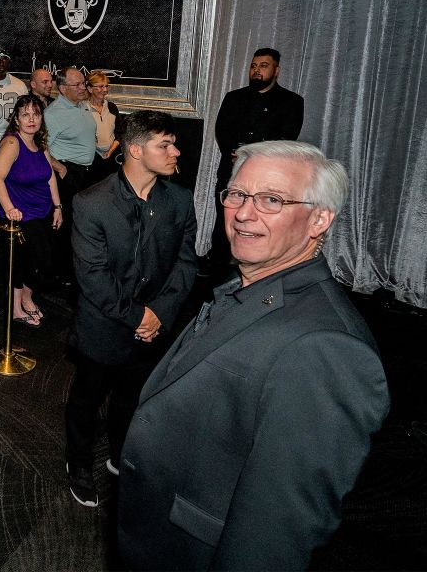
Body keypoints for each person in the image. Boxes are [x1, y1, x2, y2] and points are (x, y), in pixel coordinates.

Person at [118, 140, 389, 569]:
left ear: (320, 218)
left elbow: (278, 529)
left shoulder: (328, 348)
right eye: (238, 194)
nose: (245, 213)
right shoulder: (249, 288)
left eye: (272, 200)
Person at [61, 111, 196, 508]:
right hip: (104, 326)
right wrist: (140, 317)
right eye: (165, 145)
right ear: (135, 150)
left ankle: (120, 453)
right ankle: (78, 463)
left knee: (132, 397)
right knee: (87, 400)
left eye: (173, 143)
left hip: (155, 327)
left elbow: (186, 264)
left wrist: (160, 314)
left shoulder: (180, 199)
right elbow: (94, 277)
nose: (176, 151)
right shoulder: (91, 203)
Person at [209, 48, 304, 274]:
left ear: (276, 70)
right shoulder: (234, 97)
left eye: (263, 66)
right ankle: (217, 268)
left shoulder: (292, 102)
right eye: (253, 66)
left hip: (266, 179)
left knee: (258, 223)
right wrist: (234, 154)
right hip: (231, 174)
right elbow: (222, 130)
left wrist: (253, 157)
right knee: (225, 222)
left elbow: (286, 138)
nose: (256, 71)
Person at [0, 95, 62, 328]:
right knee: (22, 263)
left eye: (36, 114)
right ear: (17, 119)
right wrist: (9, 208)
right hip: (20, 215)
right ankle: (15, 309)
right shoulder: (12, 143)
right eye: (25, 114)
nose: (31, 119)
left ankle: (27, 299)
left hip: (43, 211)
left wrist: (58, 206)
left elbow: (50, 175)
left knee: (44, 261)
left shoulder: (40, 141)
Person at [43, 65, 95, 286]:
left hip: (85, 173)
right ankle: (59, 274)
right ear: (63, 89)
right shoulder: (53, 114)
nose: (83, 87)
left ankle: (74, 270)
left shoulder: (82, 107)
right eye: (78, 84)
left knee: (81, 226)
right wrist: (60, 168)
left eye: (83, 83)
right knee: (64, 227)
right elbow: (40, 148)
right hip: (67, 174)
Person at [84, 70, 123, 183]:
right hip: (91, 159)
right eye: (100, 86)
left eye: (106, 86)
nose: (105, 90)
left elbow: (119, 133)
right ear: (90, 89)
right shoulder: (82, 108)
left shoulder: (111, 107)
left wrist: (111, 151)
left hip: (112, 157)